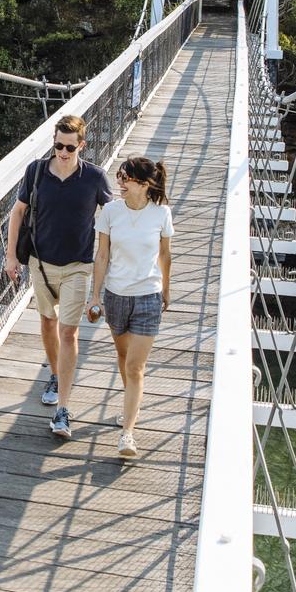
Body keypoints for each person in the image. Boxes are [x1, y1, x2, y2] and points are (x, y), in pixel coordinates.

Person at [5, 115, 113, 439]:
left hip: (79, 265)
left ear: (82, 145)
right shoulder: (36, 171)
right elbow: (18, 212)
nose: (63, 153)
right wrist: (11, 256)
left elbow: (111, 219)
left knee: (69, 333)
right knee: (47, 323)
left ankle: (63, 411)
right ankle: (54, 373)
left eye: (69, 147)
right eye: (58, 146)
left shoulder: (94, 178)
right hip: (40, 264)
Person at [87, 157, 173, 460]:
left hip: (148, 296)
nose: (120, 183)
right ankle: (130, 407)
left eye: (125, 178)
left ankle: (128, 433)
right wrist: (94, 296)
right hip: (115, 296)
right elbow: (102, 256)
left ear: (144, 183)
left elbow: (165, 255)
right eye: (119, 177)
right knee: (123, 358)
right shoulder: (110, 211)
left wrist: (167, 289)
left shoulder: (161, 213)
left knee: (135, 366)